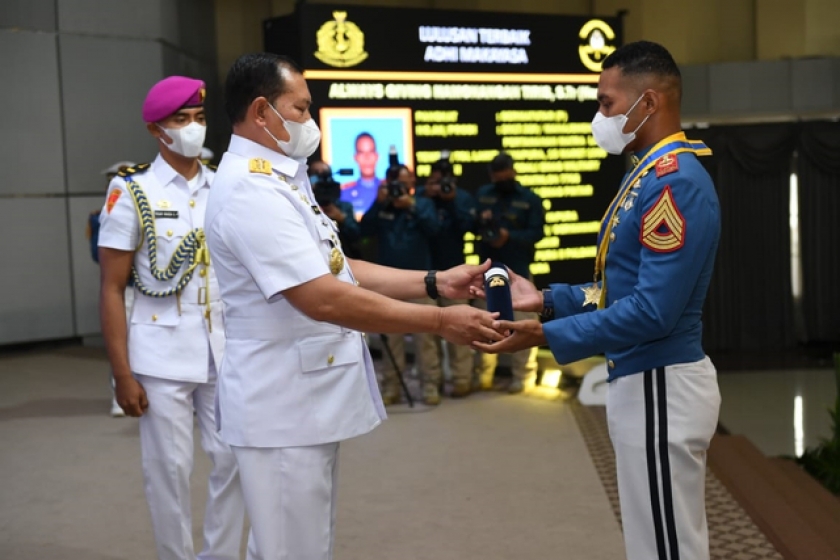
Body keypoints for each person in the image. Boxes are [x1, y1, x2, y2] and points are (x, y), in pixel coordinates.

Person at [204, 52, 502, 560]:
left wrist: (434, 282)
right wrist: (438, 321)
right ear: (261, 111)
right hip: (282, 407)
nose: (309, 122)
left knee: (294, 545)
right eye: (299, 109)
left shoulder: (280, 179)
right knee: (291, 551)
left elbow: (337, 268)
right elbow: (321, 297)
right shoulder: (252, 191)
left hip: (299, 402)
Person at [473, 41, 721, 560]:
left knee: (668, 548)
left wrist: (547, 335)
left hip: (661, 381)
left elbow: (653, 312)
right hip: (642, 378)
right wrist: (543, 299)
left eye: (607, 103)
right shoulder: (645, 175)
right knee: (652, 542)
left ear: (648, 103)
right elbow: (618, 291)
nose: (599, 116)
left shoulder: (673, 184)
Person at [98, 76, 249, 560]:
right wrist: (122, 373)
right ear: (155, 130)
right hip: (160, 354)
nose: (193, 129)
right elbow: (112, 288)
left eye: (200, 119)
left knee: (236, 460)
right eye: (181, 120)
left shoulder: (224, 182)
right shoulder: (133, 190)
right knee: (169, 470)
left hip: (223, 348)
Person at [360, 163, 441, 405]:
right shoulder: (383, 206)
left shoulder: (423, 204)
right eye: (395, 184)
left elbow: (435, 230)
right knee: (390, 340)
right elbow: (364, 230)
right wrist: (378, 202)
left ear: (412, 183)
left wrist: (412, 207)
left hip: (420, 281)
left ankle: (430, 386)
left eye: (404, 183)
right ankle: (392, 386)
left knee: (424, 338)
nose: (399, 189)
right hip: (388, 283)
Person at [473, 152, 545, 393]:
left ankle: (523, 378)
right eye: (497, 177)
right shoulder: (483, 195)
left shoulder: (530, 199)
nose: (502, 180)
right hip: (487, 271)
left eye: (506, 175)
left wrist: (508, 237)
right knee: (485, 325)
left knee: (524, 324)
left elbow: (536, 233)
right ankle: (484, 375)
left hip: (519, 271)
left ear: (513, 171)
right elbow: (471, 227)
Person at [415, 157, 478, 398]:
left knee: (462, 330)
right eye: (436, 181)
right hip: (423, 273)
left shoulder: (460, 197)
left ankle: (462, 379)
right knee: (425, 336)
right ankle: (431, 383)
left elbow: (470, 225)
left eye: (446, 181)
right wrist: (427, 197)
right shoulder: (421, 196)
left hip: (455, 273)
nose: (441, 186)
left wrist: (451, 202)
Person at [89, 160, 136, 417]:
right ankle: (120, 393)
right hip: (125, 288)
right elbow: (99, 255)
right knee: (122, 343)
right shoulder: (99, 217)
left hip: (151, 290)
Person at [309, 159, 362, 258]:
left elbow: (357, 235)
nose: (321, 178)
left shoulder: (345, 207)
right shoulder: (305, 205)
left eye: (325, 174)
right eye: (315, 174)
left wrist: (342, 218)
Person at [340, 132, 380, 217]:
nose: (367, 158)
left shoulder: (387, 189)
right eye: (362, 153)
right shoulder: (345, 192)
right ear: (355, 157)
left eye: (371, 152)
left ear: (377, 156)